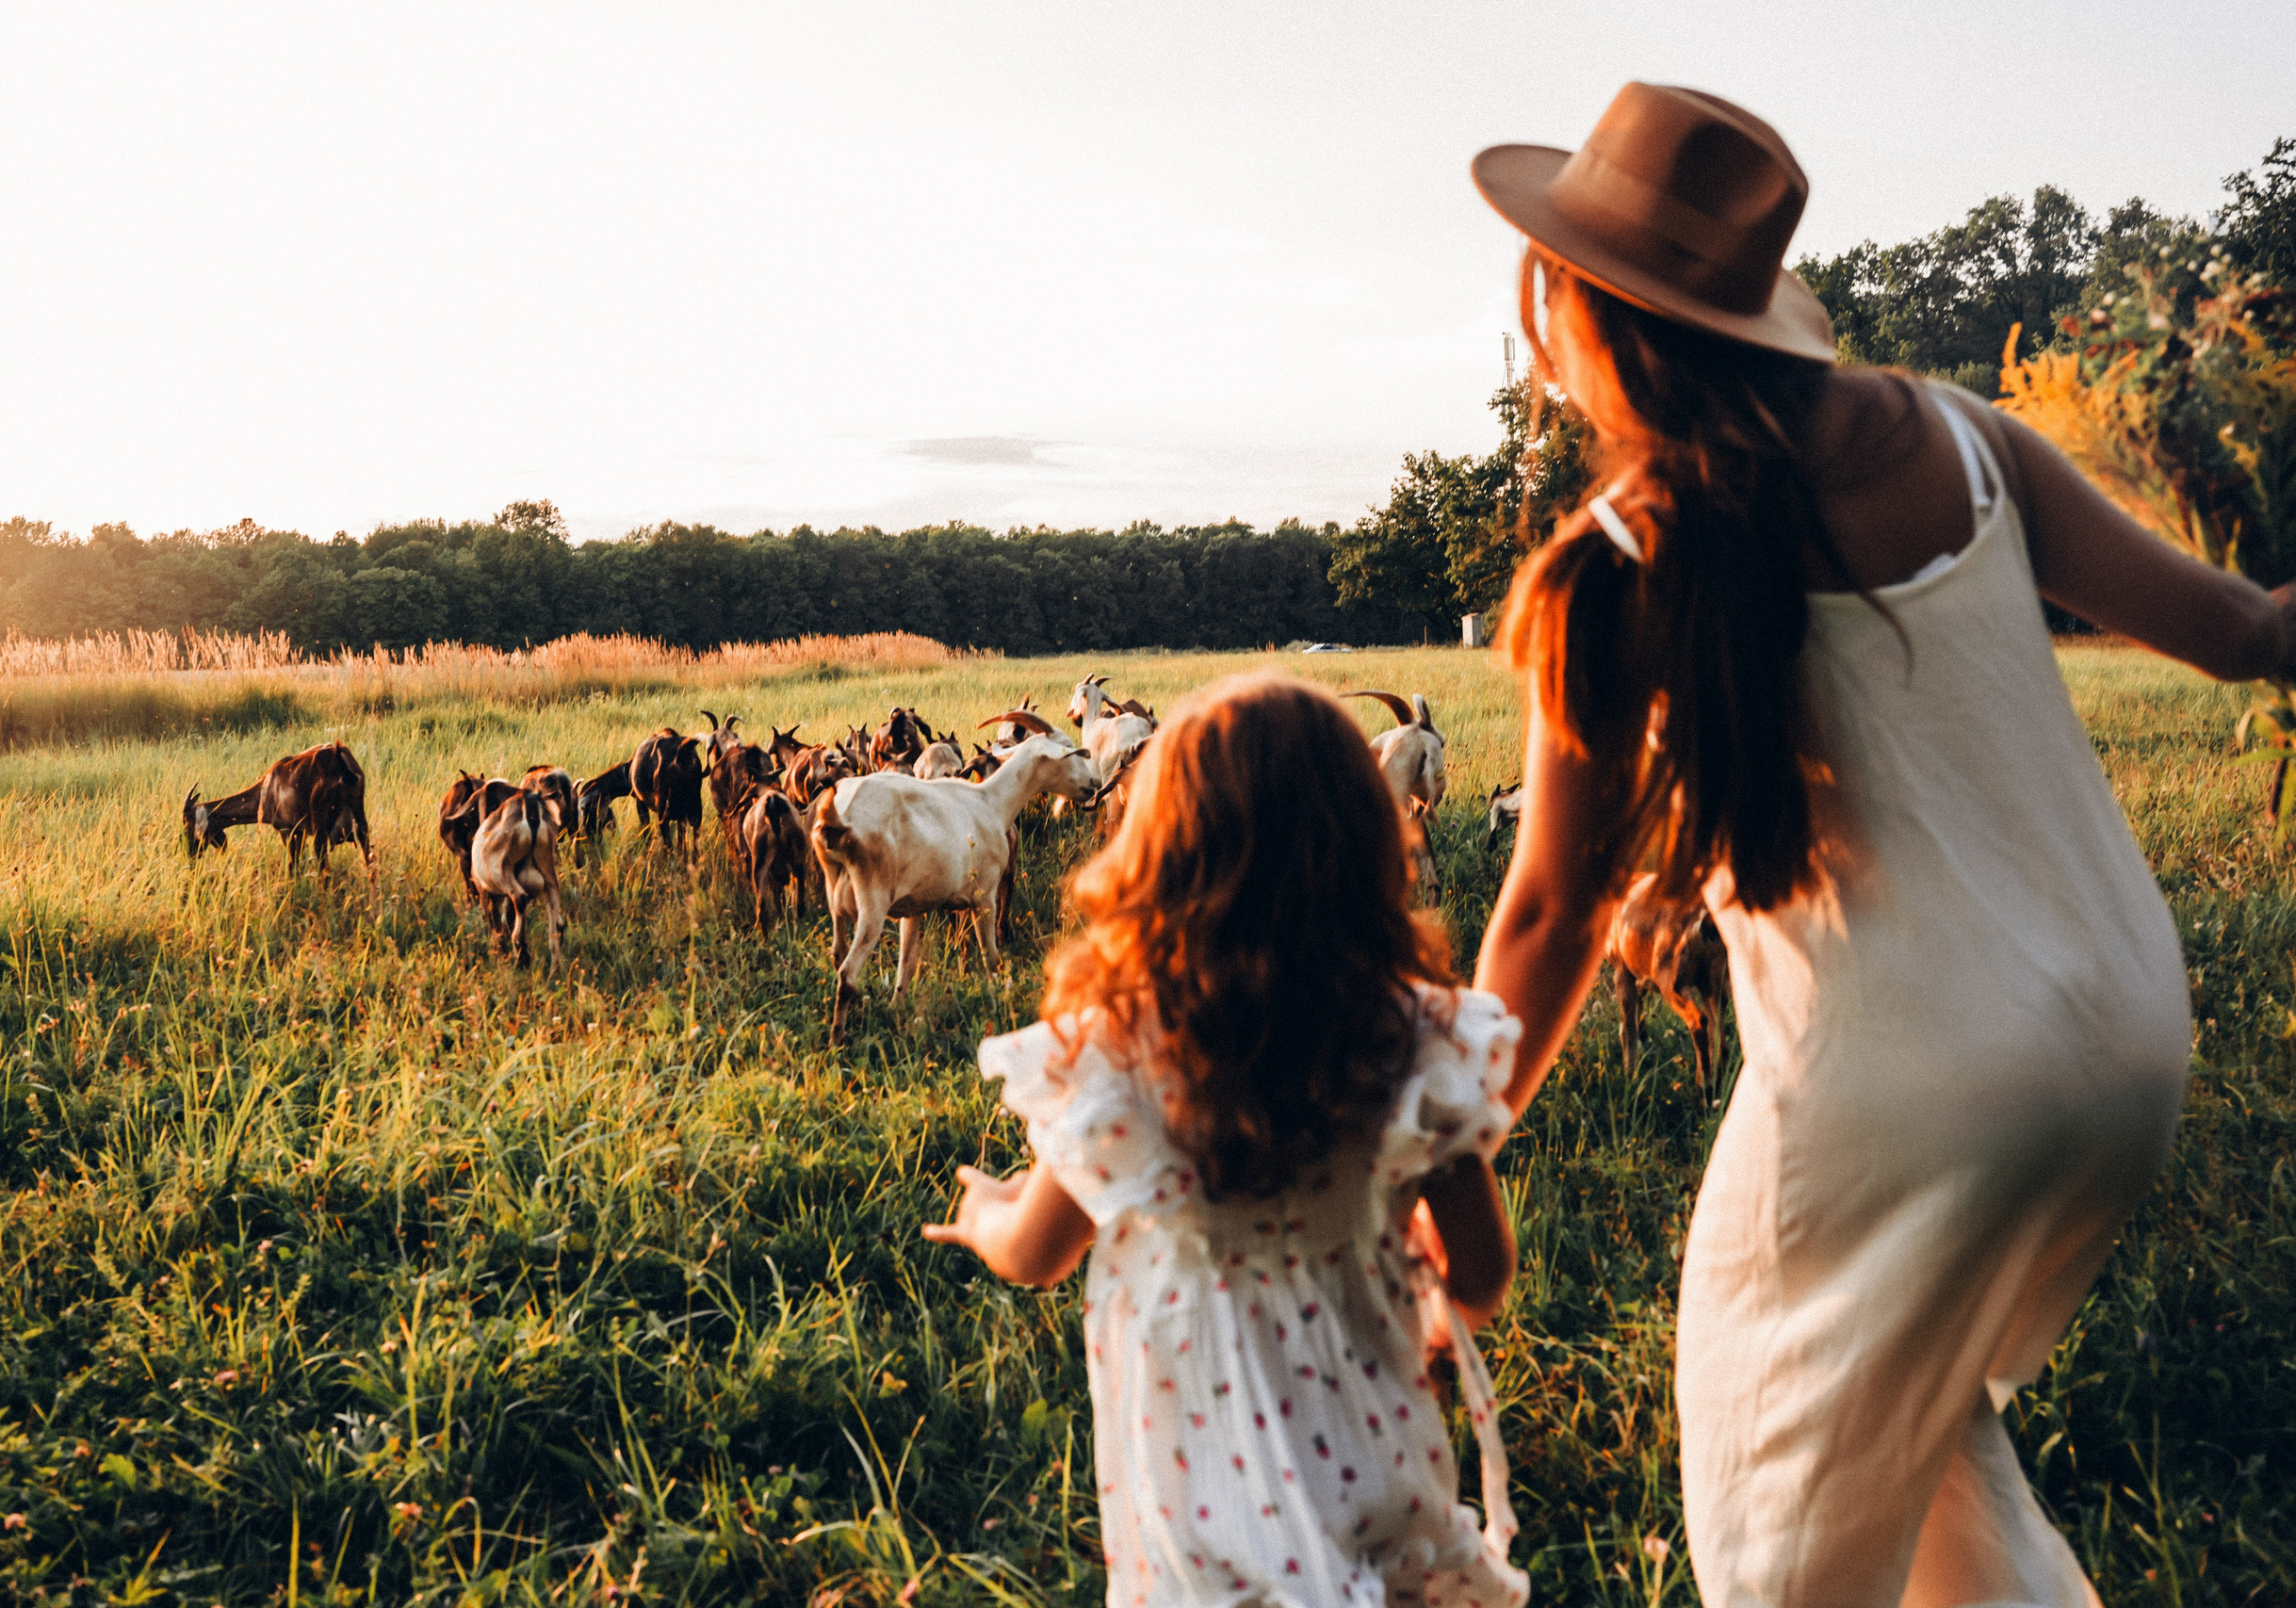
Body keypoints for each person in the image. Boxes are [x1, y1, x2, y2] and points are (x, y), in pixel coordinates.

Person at [1465, 83, 2296, 1604]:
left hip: (1902, 1083)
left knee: (1774, 1497)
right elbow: (2248, 632)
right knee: (1911, 1439)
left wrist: (1440, 1144)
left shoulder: (1617, 563)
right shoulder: (1966, 439)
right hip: (2121, 1041)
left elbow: (1545, 918)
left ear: (1573, 308)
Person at [923, 672, 1532, 1608]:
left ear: (1165, 852)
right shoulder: (1413, 1038)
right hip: (1377, 1461)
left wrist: (985, 1211)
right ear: (1369, 843)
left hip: (1196, 1500)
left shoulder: (1125, 1051)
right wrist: (1427, 1326)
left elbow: (1038, 1252)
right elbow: (1483, 1271)